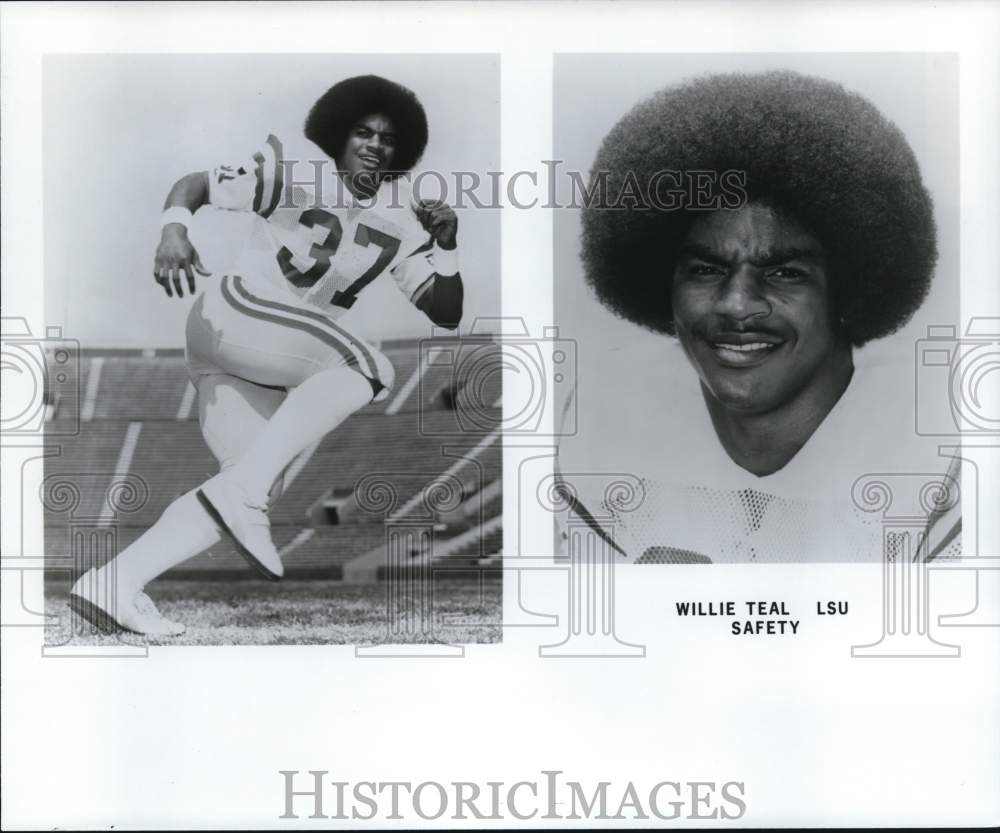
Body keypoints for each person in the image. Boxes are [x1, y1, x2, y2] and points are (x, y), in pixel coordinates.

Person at [70, 75, 464, 634]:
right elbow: (195, 184)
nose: (375, 144)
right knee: (371, 367)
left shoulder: (402, 223)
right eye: (363, 132)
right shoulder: (298, 177)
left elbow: (445, 311)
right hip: (238, 310)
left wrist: (446, 248)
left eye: (388, 139)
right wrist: (173, 232)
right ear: (339, 136)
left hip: (247, 360)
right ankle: (244, 500)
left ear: (402, 153)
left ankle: (114, 583)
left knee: (253, 479)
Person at [557, 70, 959, 563]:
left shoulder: (940, 458)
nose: (736, 304)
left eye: (785, 273)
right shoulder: (597, 435)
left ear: (850, 288)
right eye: (706, 269)